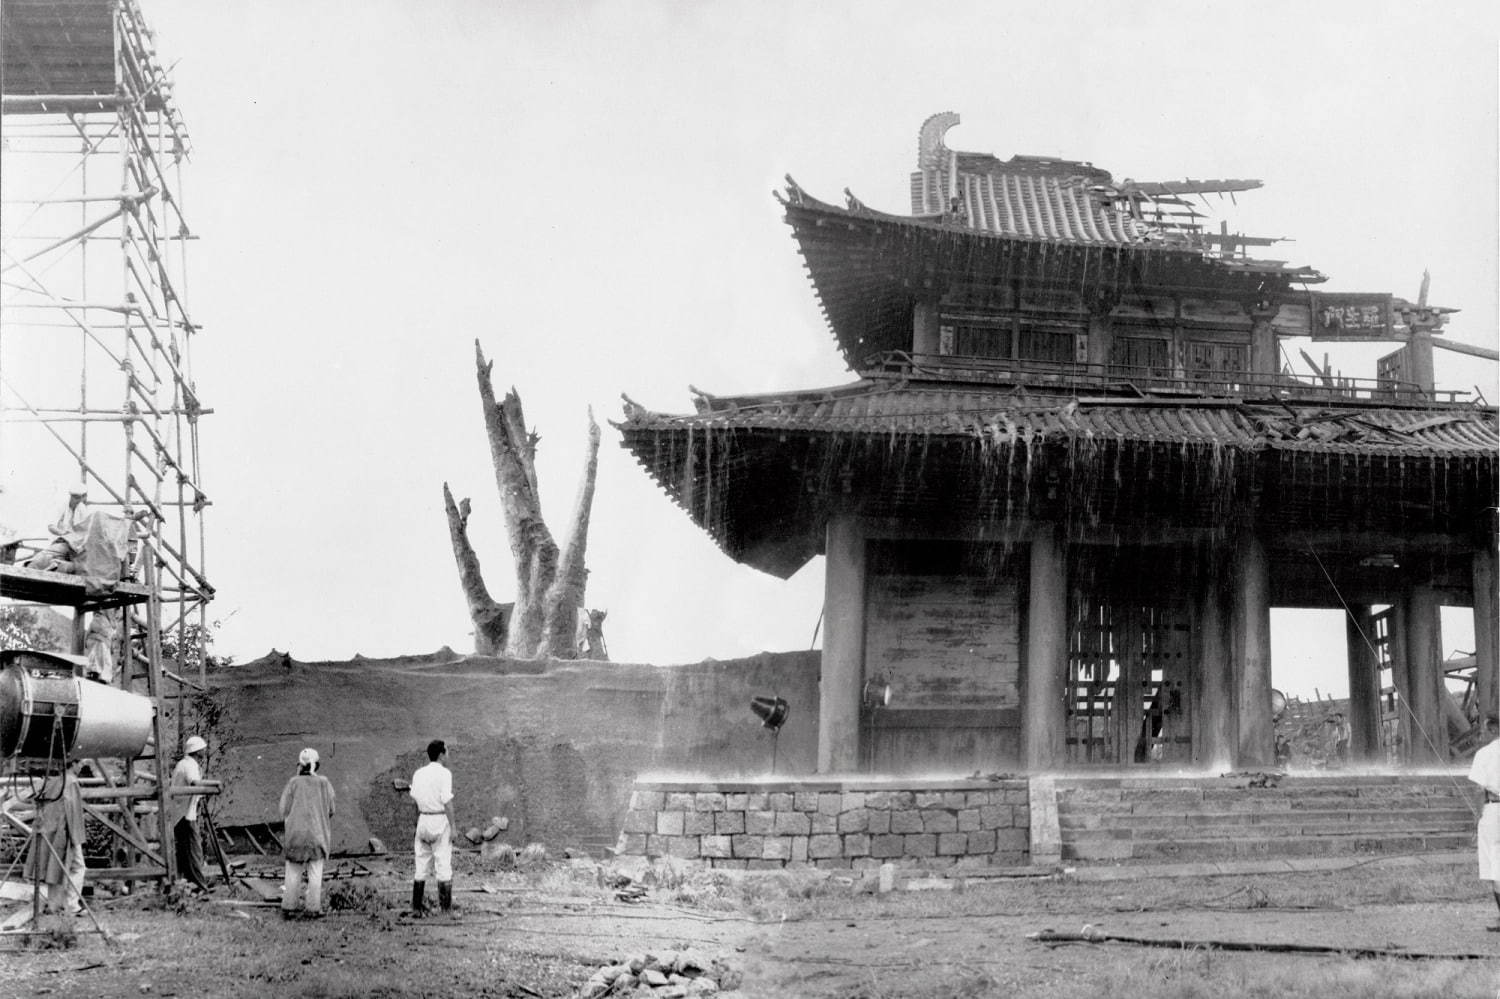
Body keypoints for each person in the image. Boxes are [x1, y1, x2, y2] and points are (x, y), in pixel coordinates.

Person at [26, 758, 86, 931]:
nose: (81, 766)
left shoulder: (53, 782)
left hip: (50, 830)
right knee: (78, 867)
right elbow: (73, 811)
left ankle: (53, 905)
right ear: (73, 764)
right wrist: (76, 838)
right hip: (65, 830)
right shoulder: (72, 782)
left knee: (54, 866)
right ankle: (72, 905)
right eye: (80, 763)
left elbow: (39, 803)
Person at [278, 748, 336, 920]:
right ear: (317, 765)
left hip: (296, 834)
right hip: (317, 834)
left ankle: (289, 906)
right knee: (315, 872)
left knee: (293, 871)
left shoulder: (293, 783)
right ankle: (313, 908)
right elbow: (332, 809)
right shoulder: (324, 783)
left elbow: (283, 809)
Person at [409, 739, 456, 917]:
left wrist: (418, 823)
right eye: (447, 752)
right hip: (438, 819)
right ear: (441, 755)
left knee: (421, 865)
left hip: (423, 819)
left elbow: (414, 800)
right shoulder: (445, 774)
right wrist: (453, 827)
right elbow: (447, 802)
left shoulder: (418, 773)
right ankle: (445, 910)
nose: (448, 755)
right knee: (443, 864)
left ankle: (416, 908)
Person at [170, 735, 215, 893]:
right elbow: (195, 783)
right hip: (184, 815)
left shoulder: (184, 763)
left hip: (182, 813)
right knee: (194, 850)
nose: (204, 751)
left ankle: (189, 885)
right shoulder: (189, 765)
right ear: (197, 751)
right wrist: (214, 784)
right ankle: (200, 886)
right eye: (202, 749)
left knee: (185, 852)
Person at [1468, 715, 1500, 932]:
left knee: (1495, 865)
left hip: (1493, 809)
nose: (1482, 735)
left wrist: (1477, 816)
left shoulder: (1485, 753)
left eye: (1484, 731)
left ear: (1493, 729)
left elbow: (1478, 789)